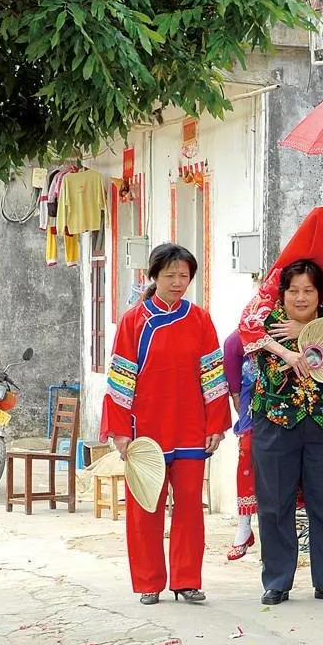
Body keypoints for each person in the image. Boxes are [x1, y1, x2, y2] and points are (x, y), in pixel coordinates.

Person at [100, 243, 231, 605]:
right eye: (171, 275)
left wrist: (215, 424)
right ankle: (148, 582)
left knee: (190, 504)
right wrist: (121, 431)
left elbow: (213, 375)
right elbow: (121, 379)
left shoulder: (200, 319)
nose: (178, 282)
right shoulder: (133, 321)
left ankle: (187, 579)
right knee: (145, 507)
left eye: (184, 276)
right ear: (153, 276)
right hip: (147, 431)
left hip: (190, 426)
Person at [242, 259, 323, 606]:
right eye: (293, 290)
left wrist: (308, 334)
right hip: (275, 425)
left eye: (308, 290)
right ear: (282, 293)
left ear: (321, 295)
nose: (300, 297)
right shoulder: (266, 320)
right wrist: (287, 349)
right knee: (275, 505)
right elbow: (246, 331)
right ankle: (277, 581)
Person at [223, 330, 258, 560]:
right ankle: (244, 526)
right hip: (253, 404)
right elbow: (231, 346)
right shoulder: (251, 326)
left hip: (291, 404)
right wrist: (235, 392)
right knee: (247, 456)